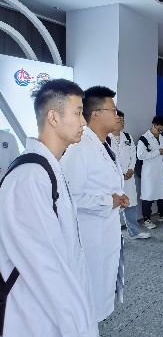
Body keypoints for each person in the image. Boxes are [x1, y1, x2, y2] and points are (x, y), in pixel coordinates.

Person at [0, 79, 98, 336]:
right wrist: (81, 328)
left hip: (52, 314)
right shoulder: (30, 177)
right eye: (78, 112)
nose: (84, 121)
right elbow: (46, 268)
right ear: (53, 117)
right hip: (34, 317)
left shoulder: (49, 168)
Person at [61, 85, 129, 322]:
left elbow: (103, 183)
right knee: (88, 292)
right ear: (96, 114)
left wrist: (118, 196)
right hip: (89, 235)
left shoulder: (103, 144)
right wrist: (108, 201)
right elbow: (70, 195)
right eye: (113, 110)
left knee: (101, 286)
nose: (117, 115)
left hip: (106, 229)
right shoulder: (79, 148)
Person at [108, 110, 151, 239]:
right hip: (114, 178)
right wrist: (122, 172)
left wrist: (131, 169)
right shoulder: (106, 138)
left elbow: (133, 154)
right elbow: (109, 159)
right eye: (119, 119)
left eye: (123, 119)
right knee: (113, 207)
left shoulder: (127, 137)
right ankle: (114, 236)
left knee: (130, 205)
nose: (122, 122)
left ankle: (134, 232)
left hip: (129, 176)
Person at [138, 115, 163, 229]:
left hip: (162, 170)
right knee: (148, 195)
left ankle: (162, 215)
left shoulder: (162, 137)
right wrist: (158, 152)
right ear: (153, 125)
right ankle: (146, 219)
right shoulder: (144, 139)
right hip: (150, 172)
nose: (160, 132)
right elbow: (140, 155)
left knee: (162, 193)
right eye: (158, 129)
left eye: (162, 130)